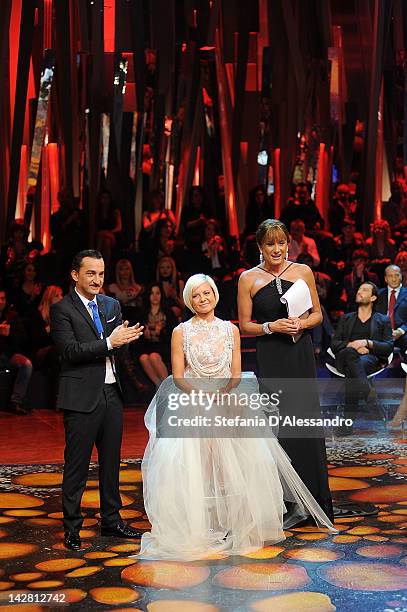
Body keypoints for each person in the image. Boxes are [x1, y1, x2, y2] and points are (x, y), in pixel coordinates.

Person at [137, 273, 334, 561]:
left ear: (215, 294)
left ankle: (232, 522)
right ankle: (201, 523)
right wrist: (201, 395)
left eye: (207, 293)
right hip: (193, 401)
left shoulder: (230, 330)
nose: (203, 299)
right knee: (196, 465)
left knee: (233, 463)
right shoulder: (181, 331)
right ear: (189, 300)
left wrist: (224, 392)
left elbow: (235, 372)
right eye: (196, 295)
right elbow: (178, 375)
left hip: (227, 398)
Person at [237, 219, 333, 521]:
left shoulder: (303, 271)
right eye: (270, 244)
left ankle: (314, 501)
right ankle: (284, 505)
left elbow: (317, 314)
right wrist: (271, 326)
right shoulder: (248, 279)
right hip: (271, 354)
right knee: (279, 425)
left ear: (288, 243)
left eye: (281, 243)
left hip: (300, 354)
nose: (277, 249)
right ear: (260, 247)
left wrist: (301, 324)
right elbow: (245, 326)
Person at [50, 249, 144, 551]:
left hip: (112, 392)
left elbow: (118, 350)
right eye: (91, 273)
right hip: (80, 395)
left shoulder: (111, 304)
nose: (97, 280)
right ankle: (72, 527)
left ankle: (112, 520)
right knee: (76, 464)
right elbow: (69, 352)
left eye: (101, 274)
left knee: (111, 462)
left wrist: (124, 340)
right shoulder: (62, 309)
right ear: (75, 275)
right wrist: (108, 342)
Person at [331, 282, 393, 425]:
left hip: (368, 359)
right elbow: (334, 344)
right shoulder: (346, 318)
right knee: (350, 354)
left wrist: (366, 342)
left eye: (364, 290)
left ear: (373, 298)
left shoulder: (382, 320)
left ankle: (347, 423)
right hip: (343, 357)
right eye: (359, 289)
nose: (359, 292)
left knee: (353, 370)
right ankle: (368, 394)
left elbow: (388, 346)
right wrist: (352, 345)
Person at [0, 286, 33, 414]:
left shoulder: (12, 315)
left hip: (8, 355)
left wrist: (9, 334)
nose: (0, 301)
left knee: (26, 364)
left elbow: (23, 338)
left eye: (2, 298)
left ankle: (16, 401)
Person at [137, 283, 178, 386]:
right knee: (143, 358)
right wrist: (144, 334)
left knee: (154, 356)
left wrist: (162, 332)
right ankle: (159, 386)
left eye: (158, 293)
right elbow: (138, 335)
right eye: (152, 293)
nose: (155, 296)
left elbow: (174, 333)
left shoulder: (167, 312)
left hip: (164, 345)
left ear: (161, 295)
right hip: (149, 345)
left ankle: (169, 386)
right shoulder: (143, 313)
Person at [375, 265, 407, 352]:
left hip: (403, 334)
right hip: (380, 334)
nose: (394, 279)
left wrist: (401, 330)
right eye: (390, 276)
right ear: (385, 279)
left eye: (397, 275)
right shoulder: (378, 295)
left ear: (401, 276)